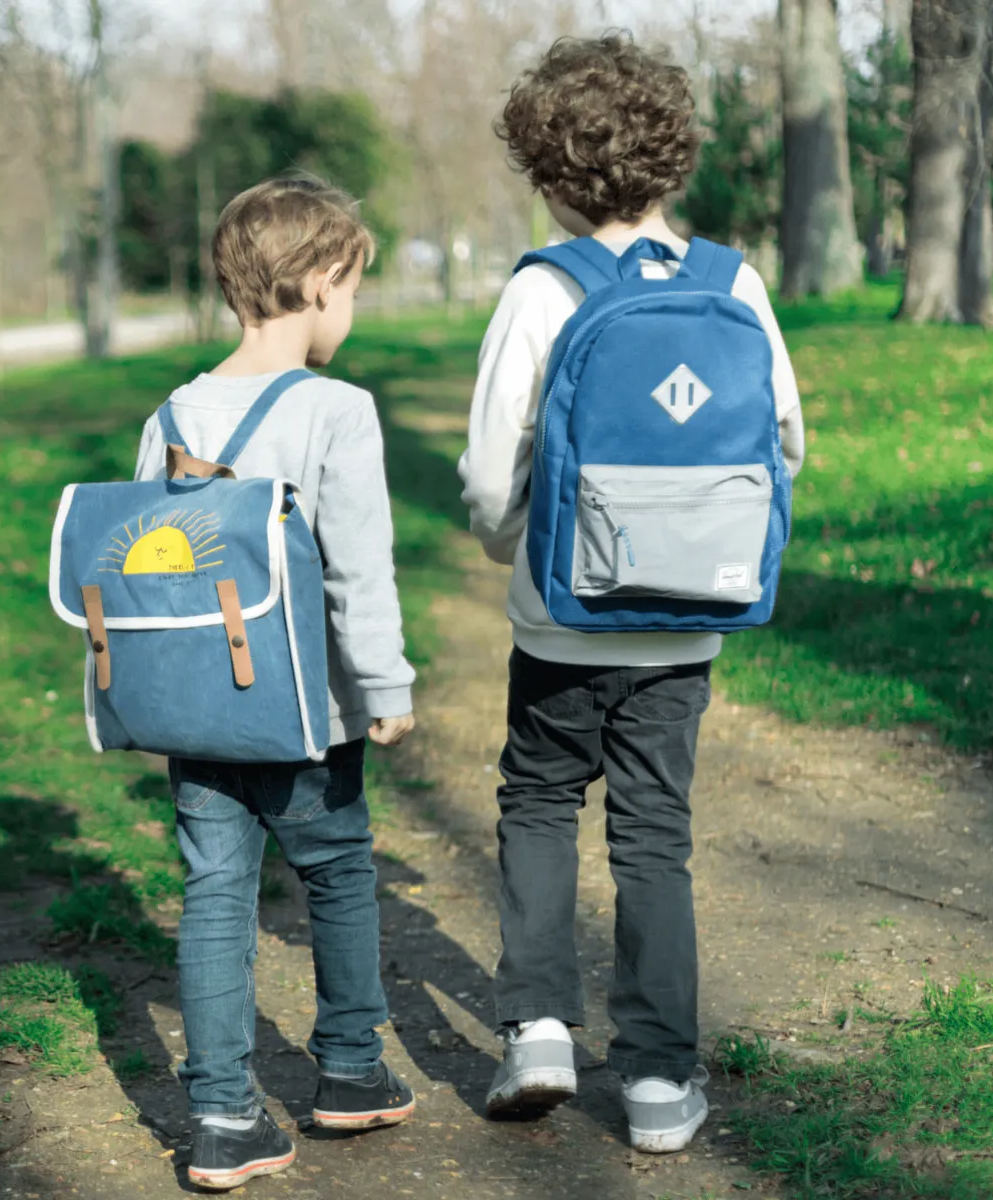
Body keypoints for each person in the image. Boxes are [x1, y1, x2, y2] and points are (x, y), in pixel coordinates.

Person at [460, 33, 804, 1152]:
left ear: (551, 175)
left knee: (540, 804)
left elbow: (486, 476)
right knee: (656, 834)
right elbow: (784, 441)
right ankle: (658, 1082)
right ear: (671, 162)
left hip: (563, 618)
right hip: (686, 626)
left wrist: (515, 542)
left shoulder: (544, 290)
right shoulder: (734, 280)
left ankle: (542, 1029)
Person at [135, 176, 417, 1191]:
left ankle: (219, 1118)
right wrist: (384, 687)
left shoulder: (173, 409)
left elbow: (151, 566)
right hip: (309, 709)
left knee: (214, 890)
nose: (353, 308)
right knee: (337, 871)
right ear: (319, 282)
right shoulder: (339, 410)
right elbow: (358, 566)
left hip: (195, 706)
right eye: (353, 288)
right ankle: (349, 1071)